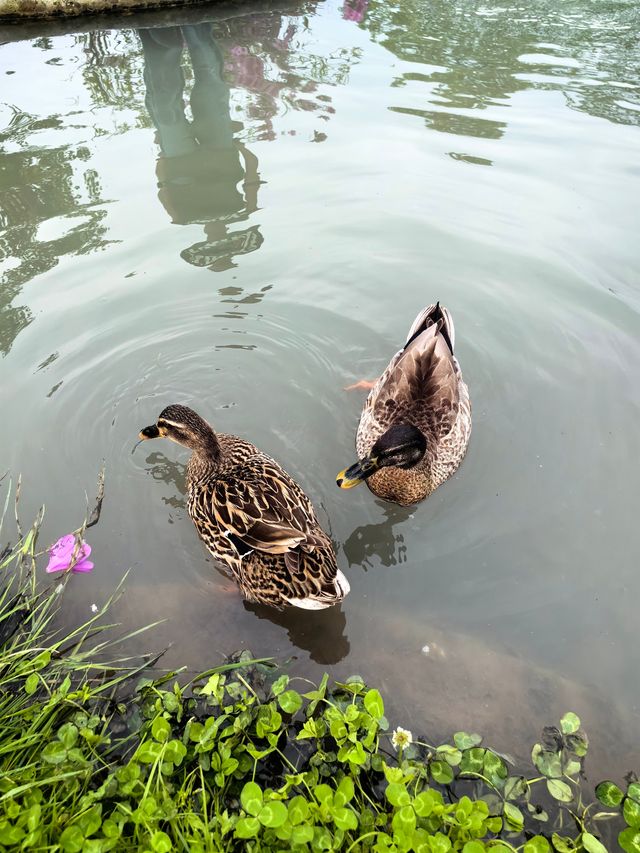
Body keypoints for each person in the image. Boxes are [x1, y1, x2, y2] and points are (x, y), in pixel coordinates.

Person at [138, 24, 263, 271]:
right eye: (224, 242)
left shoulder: (182, 219)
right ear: (229, 238)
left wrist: (162, 159)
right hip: (221, 153)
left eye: (215, 243)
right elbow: (252, 180)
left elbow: (164, 191)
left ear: (206, 241)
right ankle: (194, 25)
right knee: (211, 89)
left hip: (179, 161)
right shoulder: (242, 213)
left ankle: (159, 37)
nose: (217, 237)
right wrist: (241, 147)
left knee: (166, 106)